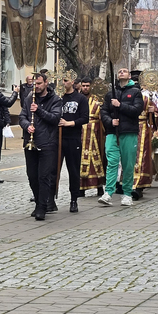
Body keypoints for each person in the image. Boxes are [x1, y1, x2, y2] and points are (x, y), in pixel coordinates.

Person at [20, 73, 63, 221]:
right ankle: (38, 201)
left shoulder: (55, 100)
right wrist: (27, 126)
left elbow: (54, 118)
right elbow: (22, 117)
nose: (36, 86)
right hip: (30, 142)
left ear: (46, 83)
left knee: (43, 176)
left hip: (47, 143)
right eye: (34, 84)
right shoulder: (28, 98)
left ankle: (42, 207)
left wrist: (38, 110)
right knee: (32, 175)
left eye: (38, 84)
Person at [98, 68, 144, 207]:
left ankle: (127, 193)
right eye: (119, 71)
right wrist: (110, 121)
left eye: (124, 71)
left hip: (128, 132)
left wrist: (120, 105)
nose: (121, 72)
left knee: (128, 164)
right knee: (112, 161)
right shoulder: (111, 93)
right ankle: (108, 192)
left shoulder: (135, 92)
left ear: (129, 76)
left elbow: (137, 110)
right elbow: (104, 111)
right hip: (113, 132)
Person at [54, 73, 88, 213]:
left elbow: (85, 118)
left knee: (73, 170)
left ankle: (74, 199)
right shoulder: (58, 98)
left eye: (66, 80)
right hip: (58, 138)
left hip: (73, 138)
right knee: (53, 169)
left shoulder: (80, 99)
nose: (63, 82)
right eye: (62, 80)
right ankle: (50, 197)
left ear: (72, 81)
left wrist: (70, 123)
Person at [132, 72, 158, 199]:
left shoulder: (147, 99)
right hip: (130, 129)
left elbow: (157, 116)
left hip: (143, 129)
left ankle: (139, 185)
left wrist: (152, 113)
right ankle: (128, 184)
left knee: (142, 157)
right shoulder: (127, 98)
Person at [78, 78, 106, 197]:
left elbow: (102, 116)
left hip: (95, 134)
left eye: (87, 85)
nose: (85, 88)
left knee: (96, 159)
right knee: (80, 160)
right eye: (83, 85)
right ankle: (81, 188)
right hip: (80, 133)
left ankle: (99, 186)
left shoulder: (97, 100)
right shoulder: (77, 99)